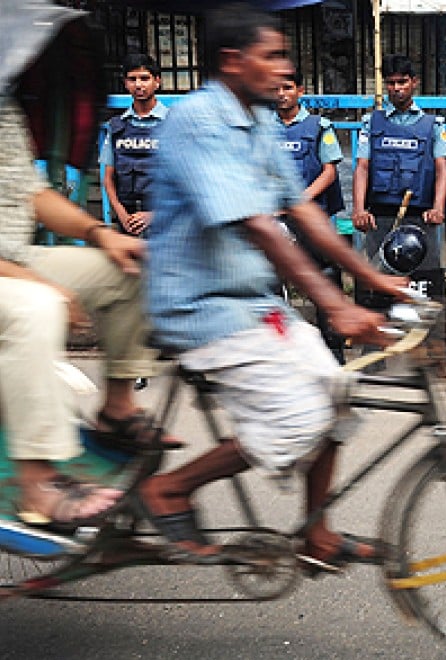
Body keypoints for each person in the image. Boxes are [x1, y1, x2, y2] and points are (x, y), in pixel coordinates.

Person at [141, 6, 407, 564]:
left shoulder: (260, 119)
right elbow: (257, 224)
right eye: (272, 56)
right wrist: (334, 304)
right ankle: (168, 490)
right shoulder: (199, 121)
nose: (283, 68)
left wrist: (372, 278)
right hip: (199, 307)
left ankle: (318, 534)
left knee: (334, 393)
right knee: (297, 419)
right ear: (233, 62)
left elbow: (303, 212)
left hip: (250, 301)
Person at [2, 36, 177, 527]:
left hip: (14, 254)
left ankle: (117, 408)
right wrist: (31, 281)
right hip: (6, 270)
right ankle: (37, 484)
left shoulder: (3, 109)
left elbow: (32, 193)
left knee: (126, 268)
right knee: (35, 308)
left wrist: (102, 234)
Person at [351, 54, 446, 335]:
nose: (397, 88)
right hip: (379, 218)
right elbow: (362, 166)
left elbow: (442, 169)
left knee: (426, 286)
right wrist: (359, 209)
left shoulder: (433, 125)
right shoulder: (372, 123)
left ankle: (432, 353)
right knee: (374, 283)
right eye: (391, 83)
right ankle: (374, 351)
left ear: (414, 83)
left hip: (420, 218)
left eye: (402, 82)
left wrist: (438, 207)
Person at [275, 71, 347, 362]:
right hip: (273, 219)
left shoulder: (319, 127)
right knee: (271, 285)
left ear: (300, 90)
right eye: (276, 88)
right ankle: (280, 354)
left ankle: (334, 349)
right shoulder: (262, 129)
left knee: (327, 278)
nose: (281, 93)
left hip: (310, 217)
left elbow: (329, 171)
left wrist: (298, 202)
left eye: (288, 87)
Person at [100, 53, 167, 236]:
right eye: (132, 79)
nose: (138, 85)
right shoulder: (116, 127)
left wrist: (152, 215)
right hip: (128, 222)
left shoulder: (174, 124)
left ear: (157, 81)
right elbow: (108, 179)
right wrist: (122, 215)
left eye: (145, 78)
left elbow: (186, 179)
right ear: (125, 83)